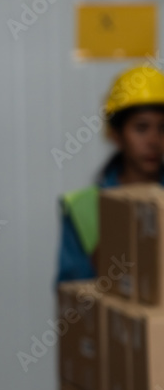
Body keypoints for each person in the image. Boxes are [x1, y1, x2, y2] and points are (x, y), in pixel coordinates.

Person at [57, 64, 164, 282]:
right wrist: (100, 262)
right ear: (116, 135)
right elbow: (71, 294)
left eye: (163, 129)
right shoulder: (83, 207)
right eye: (141, 128)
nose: (154, 141)